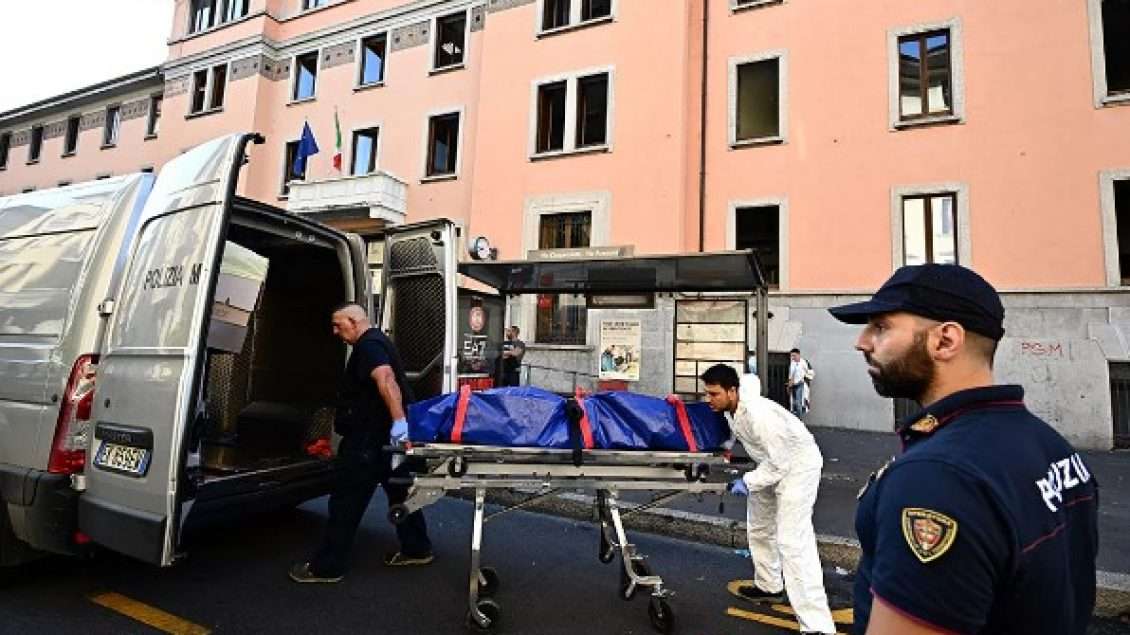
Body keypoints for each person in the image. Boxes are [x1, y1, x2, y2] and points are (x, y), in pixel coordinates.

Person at [828, 264, 1099, 634]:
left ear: (945, 341)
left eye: (881, 327)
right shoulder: (1053, 446)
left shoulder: (936, 477)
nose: (862, 342)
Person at [289, 303, 433, 583]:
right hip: (385, 440)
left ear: (354, 321)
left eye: (338, 324)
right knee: (401, 493)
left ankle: (328, 567)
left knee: (346, 500)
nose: (335, 331)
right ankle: (417, 548)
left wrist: (399, 422)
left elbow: (386, 379)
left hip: (367, 440)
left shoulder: (369, 346)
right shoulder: (379, 341)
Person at [701, 364, 836, 635]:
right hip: (768, 464)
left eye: (714, 394)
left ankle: (818, 626)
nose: (709, 399)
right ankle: (769, 586)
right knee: (760, 528)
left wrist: (748, 482)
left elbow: (781, 463)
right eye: (707, 393)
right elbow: (739, 445)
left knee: (793, 542)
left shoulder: (759, 414)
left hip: (797, 467)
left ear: (732, 391)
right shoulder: (731, 410)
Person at [786, 348, 812, 418]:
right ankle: (795, 419)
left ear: (798, 355)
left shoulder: (804, 362)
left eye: (794, 355)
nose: (793, 357)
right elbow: (790, 375)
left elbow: (811, 373)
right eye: (792, 356)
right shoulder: (792, 363)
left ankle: (799, 419)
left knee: (798, 402)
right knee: (793, 403)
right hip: (793, 385)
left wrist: (803, 380)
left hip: (800, 384)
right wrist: (789, 384)